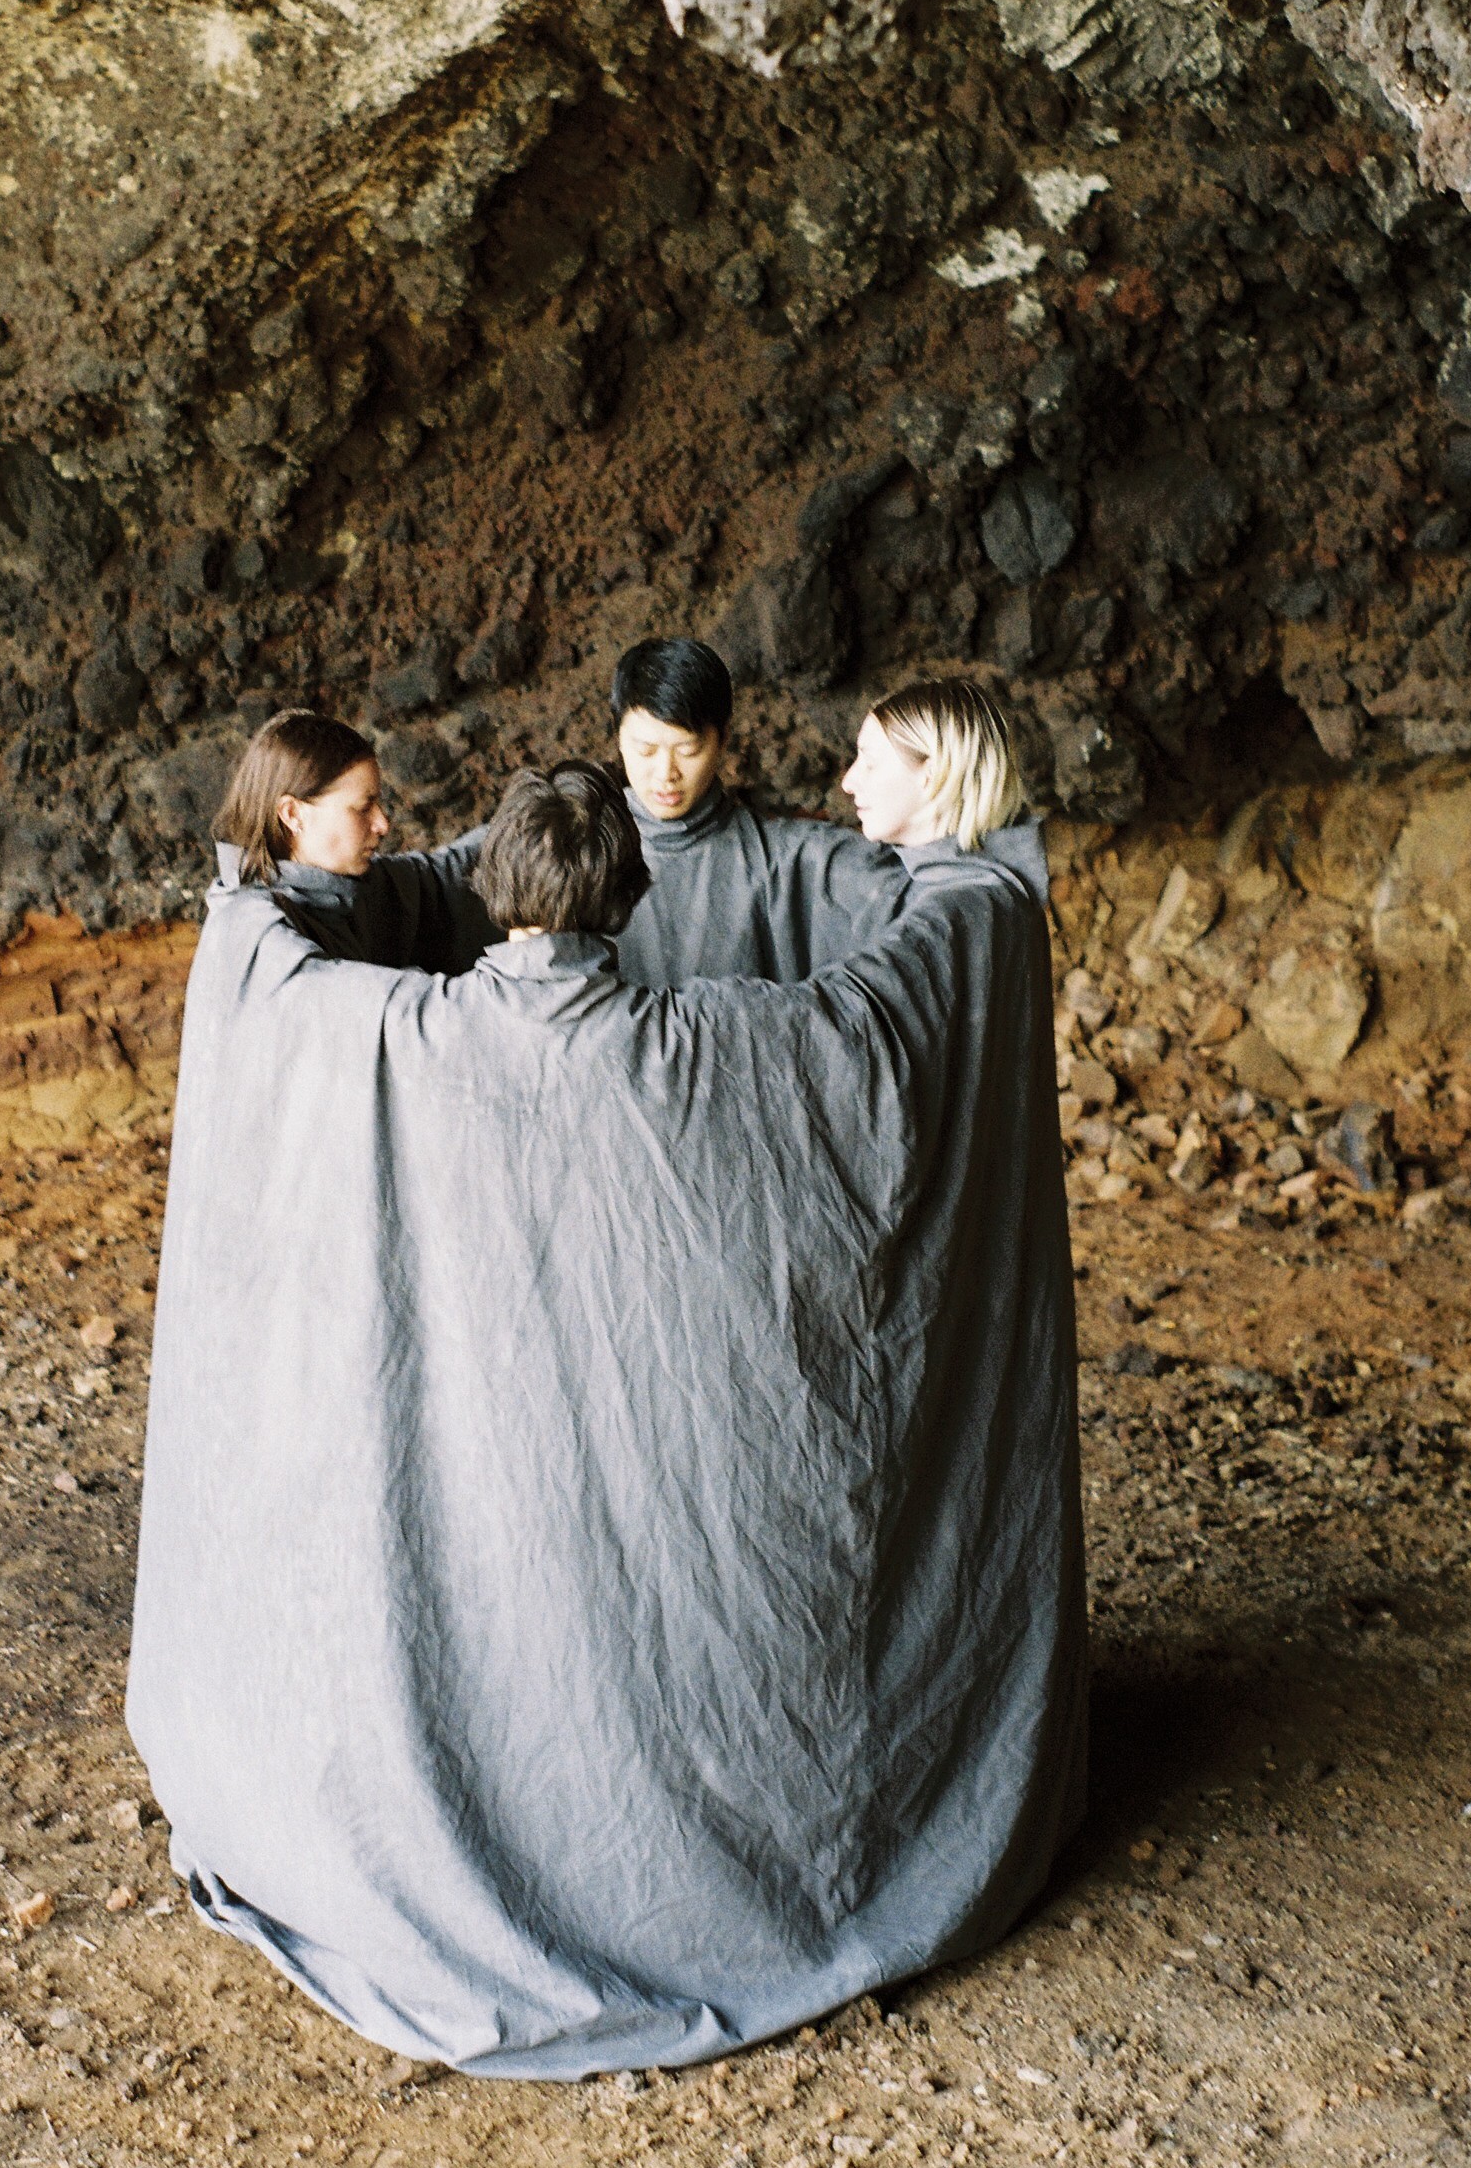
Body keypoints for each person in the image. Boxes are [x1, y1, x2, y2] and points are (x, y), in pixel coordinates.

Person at [128, 741, 1084, 2079]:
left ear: (495, 891)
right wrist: (973, 896)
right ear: (630, 902)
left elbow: (266, 961)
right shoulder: (720, 1046)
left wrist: (272, 882)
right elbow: (877, 1019)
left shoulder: (396, 1035)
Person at [608, 637, 907, 984]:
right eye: (645, 750)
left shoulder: (787, 861)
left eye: (688, 750)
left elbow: (927, 895)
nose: (666, 773)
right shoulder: (577, 853)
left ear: (723, 740)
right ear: (618, 736)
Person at [209, 707, 496, 970]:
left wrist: (520, 832)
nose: (383, 824)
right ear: (292, 814)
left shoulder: (345, 890)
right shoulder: (265, 940)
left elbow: (440, 874)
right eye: (362, 808)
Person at [841, 676, 1050, 902]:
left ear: (933, 771)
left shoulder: (952, 911)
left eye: (870, 763)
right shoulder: (991, 884)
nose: (848, 783)